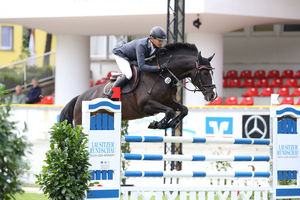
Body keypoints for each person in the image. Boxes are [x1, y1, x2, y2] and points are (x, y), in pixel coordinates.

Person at [105, 26, 168, 99]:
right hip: (121, 55)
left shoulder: (156, 47)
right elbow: (142, 66)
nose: (161, 43)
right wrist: (158, 68)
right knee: (128, 75)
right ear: (152, 39)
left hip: (132, 58)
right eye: (159, 40)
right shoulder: (142, 45)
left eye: (162, 41)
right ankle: (110, 95)